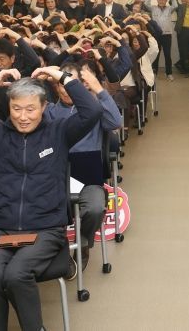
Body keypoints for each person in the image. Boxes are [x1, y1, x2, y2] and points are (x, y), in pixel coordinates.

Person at [0, 66, 103, 331]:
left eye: (30, 109)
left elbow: (92, 111)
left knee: (16, 274)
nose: (23, 116)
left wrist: (61, 76)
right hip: (0, 229)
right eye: (16, 108)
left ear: (44, 106)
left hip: (45, 228)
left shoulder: (59, 132)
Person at [46, 60, 122, 271]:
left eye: (71, 84)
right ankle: (54, 247)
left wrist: (98, 89)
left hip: (88, 178)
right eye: (61, 84)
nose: (66, 89)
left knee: (96, 208)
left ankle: (83, 242)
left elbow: (115, 122)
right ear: (56, 86)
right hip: (55, 178)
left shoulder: (93, 110)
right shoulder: (48, 111)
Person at [146, 0, 178, 81]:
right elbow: (146, 3)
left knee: (167, 55)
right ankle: (154, 72)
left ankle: (169, 73)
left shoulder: (169, 9)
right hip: (156, 34)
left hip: (167, 35)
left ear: (166, 1)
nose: (161, 1)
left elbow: (175, 5)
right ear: (157, 0)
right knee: (156, 53)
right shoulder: (153, 8)